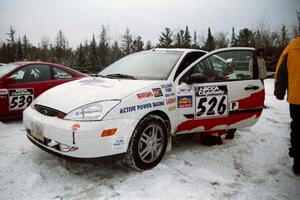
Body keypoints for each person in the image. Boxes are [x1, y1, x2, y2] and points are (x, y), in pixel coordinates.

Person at [274, 37, 300, 176]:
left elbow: (281, 72)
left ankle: (298, 162)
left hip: (297, 99)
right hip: (296, 98)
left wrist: (279, 92)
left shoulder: (292, 48)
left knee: (297, 129)